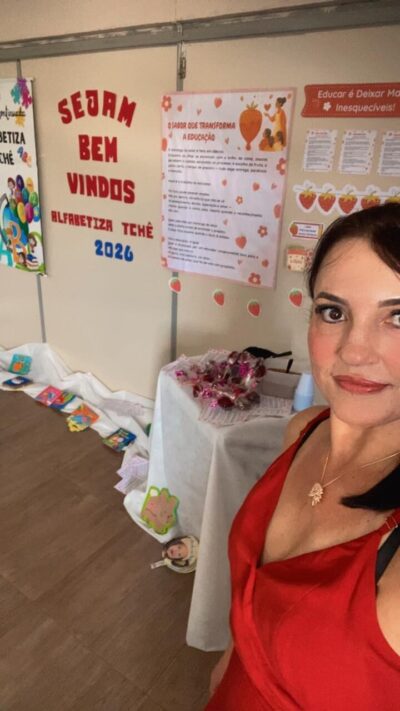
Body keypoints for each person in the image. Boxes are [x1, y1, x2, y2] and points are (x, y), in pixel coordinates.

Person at [206, 203, 400, 710]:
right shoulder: (302, 432)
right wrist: (227, 663)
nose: (354, 351)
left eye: (398, 317)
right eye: (333, 312)